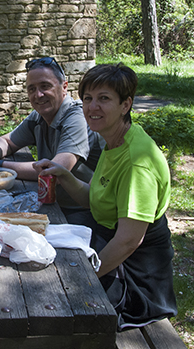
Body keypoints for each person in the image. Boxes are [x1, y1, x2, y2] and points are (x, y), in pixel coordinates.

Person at [33, 63, 177, 329]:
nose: (92, 107)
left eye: (104, 99)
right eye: (88, 98)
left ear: (125, 105)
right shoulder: (114, 141)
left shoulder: (137, 162)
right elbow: (95, 200)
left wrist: (85, 279)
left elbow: (128, 242)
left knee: (49, 300)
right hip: (108, 251)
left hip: (135, 283)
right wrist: (64, 175)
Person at [0, 57, 104, 214]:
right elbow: (7, 141)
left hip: (81, 212)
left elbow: (55, 171)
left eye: (45, 86)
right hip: (51, 203)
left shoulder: (76, 117)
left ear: (64, 87)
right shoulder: (39, 116)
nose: (38, 95)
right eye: (31, 89)